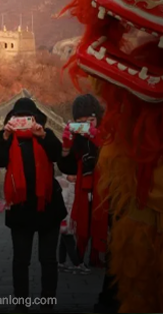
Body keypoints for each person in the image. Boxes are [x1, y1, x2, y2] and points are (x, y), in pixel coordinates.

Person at [0, 98, 67, 313]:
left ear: (36, 119)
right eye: (18, 117)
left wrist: (43, 135)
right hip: (20, 209)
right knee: (21, 260)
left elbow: (58, 155)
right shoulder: (8, 138)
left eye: (27, 117)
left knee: (48, 259)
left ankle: (47, 302)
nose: (22, 121)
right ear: (11, 120)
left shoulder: (45, 135)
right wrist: (4, 137)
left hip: (47, 207)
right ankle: (21, 303)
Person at [59, 94, 108, 268]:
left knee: (101, 220)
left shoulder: (108, 132)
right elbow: (68, 167)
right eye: (81, 122)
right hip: (84, 185)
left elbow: (114, 154)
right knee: (83, 220)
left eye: (90, 120)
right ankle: (79, 255)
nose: (86, 125)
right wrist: (66, 147)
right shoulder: (78, 138)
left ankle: (98, 255)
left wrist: (96, 136)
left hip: (105, 186)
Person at [56, 174, 88, 275]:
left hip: (70, 217)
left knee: (64, 241)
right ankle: (77, 264)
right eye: (72, 175)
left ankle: (61, 262)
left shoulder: (75, 185)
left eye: (76, 175)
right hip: (65, 218)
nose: (74, 177)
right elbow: (63, 201)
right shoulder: (62, 183)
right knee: (70, 242)